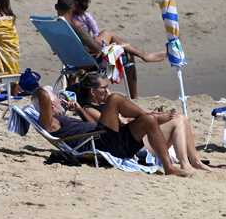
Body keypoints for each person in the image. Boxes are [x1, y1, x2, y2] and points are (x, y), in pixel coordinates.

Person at [16, 72, 189, 177]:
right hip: (105, 144)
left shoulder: (66, 119)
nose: (59, 99)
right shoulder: (52, 123)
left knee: (148, 121)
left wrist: (79, 110)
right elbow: (43, 97)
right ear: (50, 105)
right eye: (55, 98)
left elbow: (94, 125)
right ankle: (151, 115)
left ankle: (168, 167)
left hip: (114, 141)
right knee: (115, 99)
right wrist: (38, 89)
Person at [75, 72, 210, 175]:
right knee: (116, 98)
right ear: (92, 91)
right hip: (114, 142)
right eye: (104, 88)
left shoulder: (105, 105)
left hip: (125, 138)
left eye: (107, 87)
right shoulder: (89, 109)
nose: (107, 91)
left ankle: (194, 162)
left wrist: (147, 116)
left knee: (180, 118)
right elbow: (109, 126)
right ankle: (183, 163)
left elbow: (124, 122)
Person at [64, 0, 165, 98]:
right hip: (90, 55)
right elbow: (95, 34)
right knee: (115, 41)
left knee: (110, 37)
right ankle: (143, 57)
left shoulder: (62, 22)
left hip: (74, 57)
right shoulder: (76, 22)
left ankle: (142, 54)